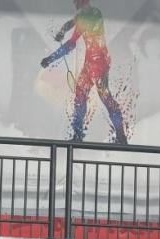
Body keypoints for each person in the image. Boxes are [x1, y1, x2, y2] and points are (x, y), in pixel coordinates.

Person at [39, 0, 128, 144]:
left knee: (105, 98)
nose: (74, 4)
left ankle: (120, 136)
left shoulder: (91, 15)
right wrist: (63, 30)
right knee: (82, 96)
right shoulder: (89, 14)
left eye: (76, 2)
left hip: (99, 64)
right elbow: (73, 24)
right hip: (92, 62)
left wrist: (51, 58)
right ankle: (79, 135)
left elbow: (71, 41)